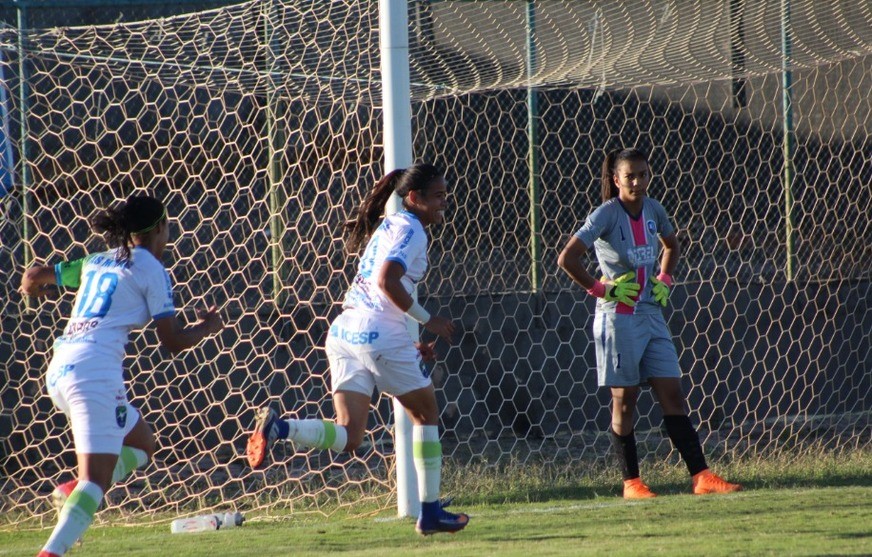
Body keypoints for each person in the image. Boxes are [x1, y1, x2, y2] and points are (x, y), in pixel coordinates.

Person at [246, 163, 469, 535]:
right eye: (439, 196)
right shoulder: (412, 229)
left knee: (350, 437)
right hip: (376, 333)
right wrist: (429, 321)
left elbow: (380, 293)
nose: (445, 202)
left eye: (446, 194)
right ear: (414, 198)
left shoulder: (390, 225)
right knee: (426, 413)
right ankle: (429, 512)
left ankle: (280, 427)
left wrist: (406, 342)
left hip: (346, 330)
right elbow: (386, 281)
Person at [19, 194, 224, 557]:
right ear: (161, 228)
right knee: (95, 482)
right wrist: (207, 328)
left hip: (61, 367)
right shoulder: (152, 270)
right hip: (93, 374)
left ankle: (72, 494)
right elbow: (172, 341)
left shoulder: (96, 260)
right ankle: (52, 550)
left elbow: (34, 274)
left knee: (142, 443)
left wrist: (37, 290)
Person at [557, 148, 742, 499]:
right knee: (624, 401)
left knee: (672, 392)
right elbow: (567, 258)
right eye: (630, 176)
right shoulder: (605, 215)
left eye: (643, 174)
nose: (638, 182)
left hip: (651, 315)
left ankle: (701, 476)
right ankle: (632, 483)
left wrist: (665, 280)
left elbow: (671, 246)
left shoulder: (655, 209)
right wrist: (601, 289)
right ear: (616, 180)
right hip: (620, 318)